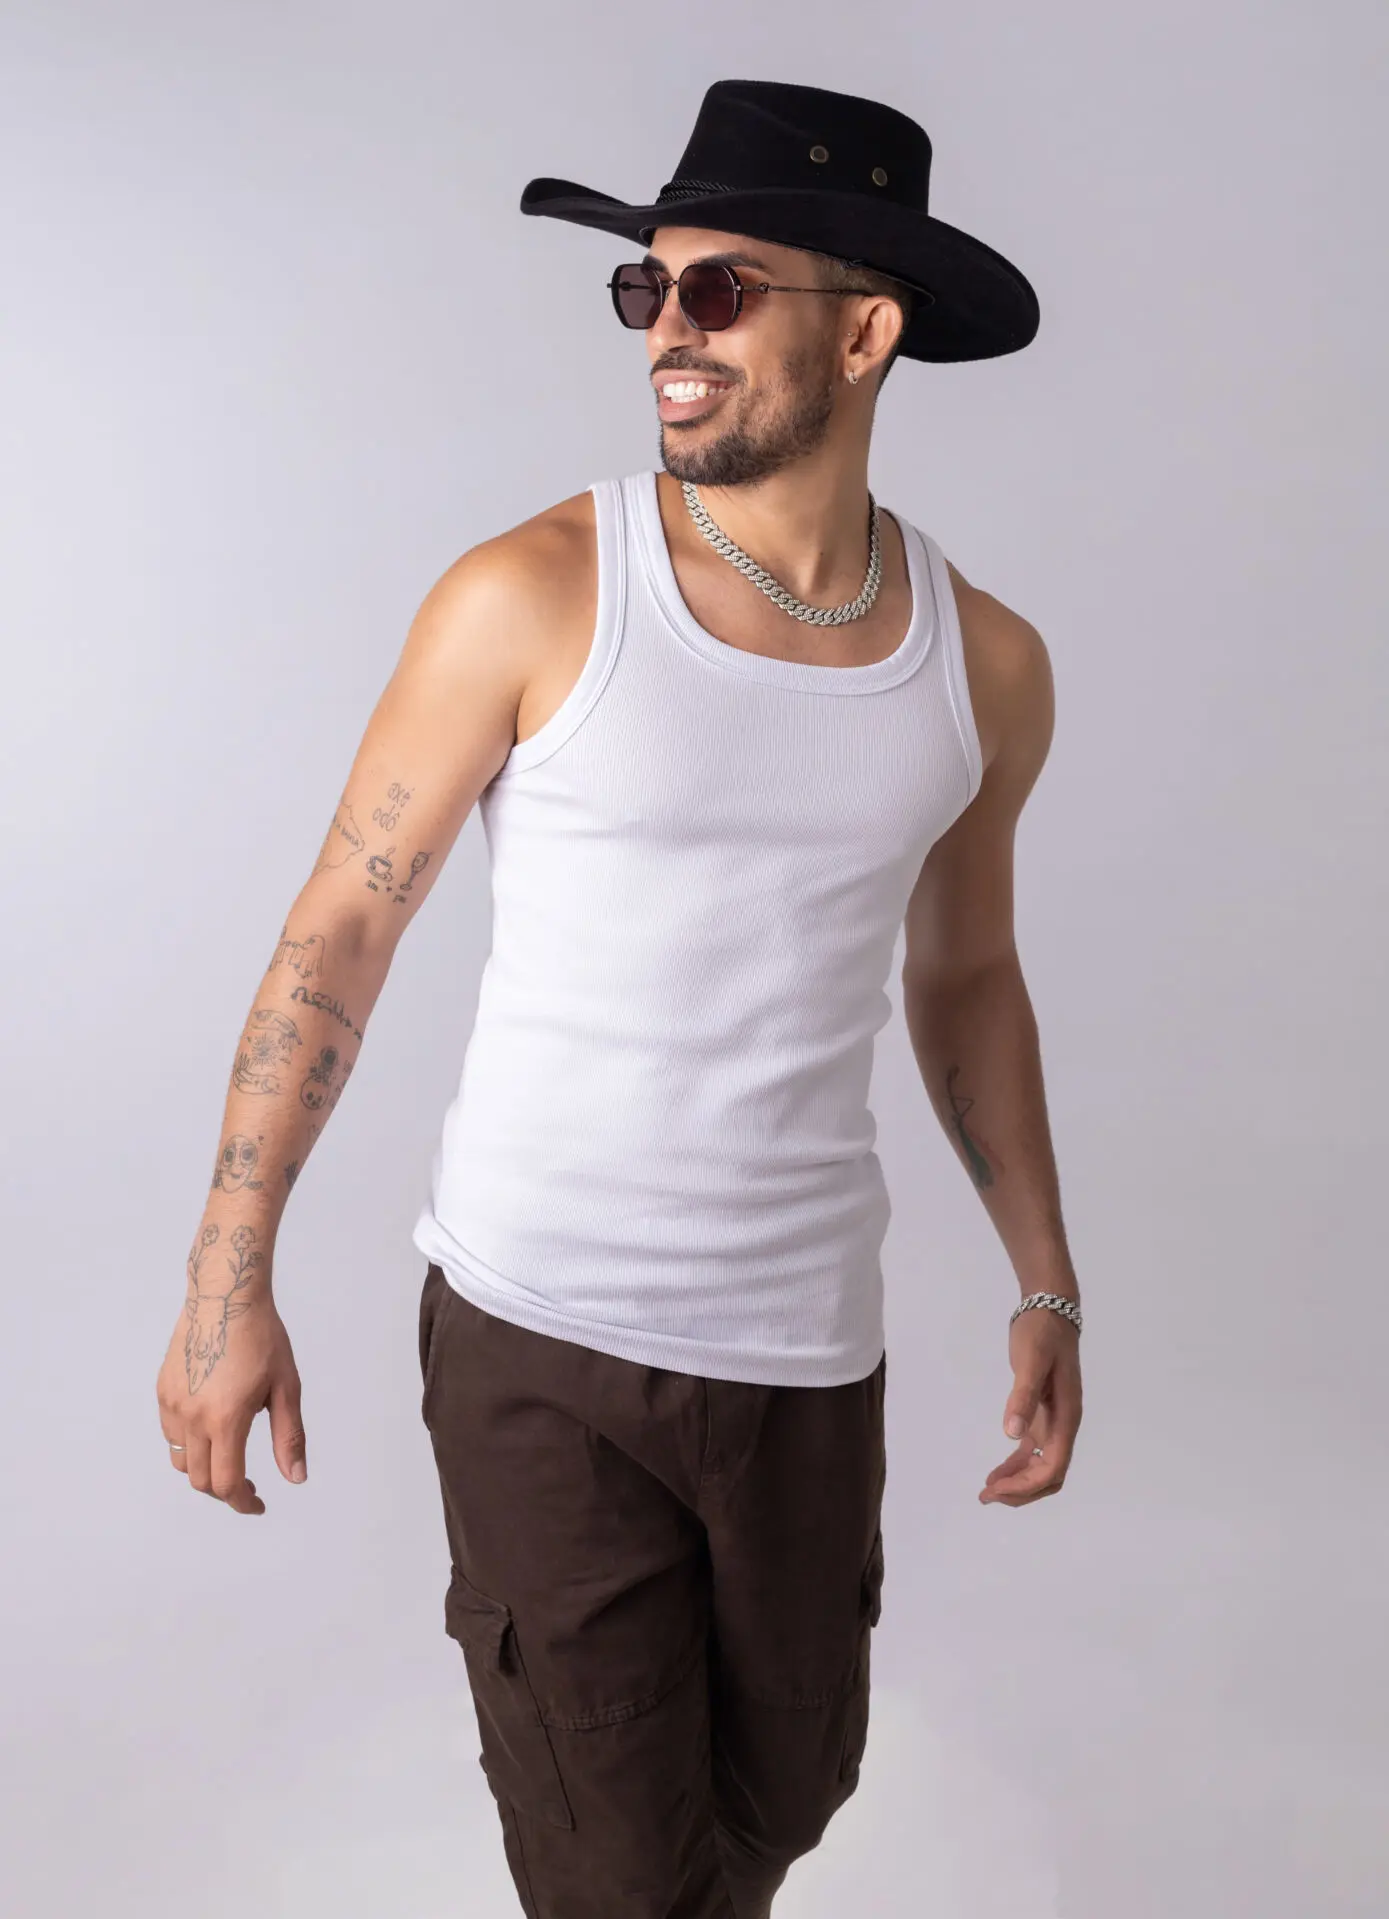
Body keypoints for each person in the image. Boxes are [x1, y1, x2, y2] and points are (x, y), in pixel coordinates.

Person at [156, 78, 1083, 1919]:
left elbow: (967, 971)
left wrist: (1044, 1276)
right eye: (644, 290)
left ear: (866, 331)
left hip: (809, 1352)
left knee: (789, 1790)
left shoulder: (982, 665)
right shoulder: (534, 594)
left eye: (720, 290)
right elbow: (339, 933)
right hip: (542, 1335)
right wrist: (223, 1277)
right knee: (623, 1874)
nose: (668, 330)